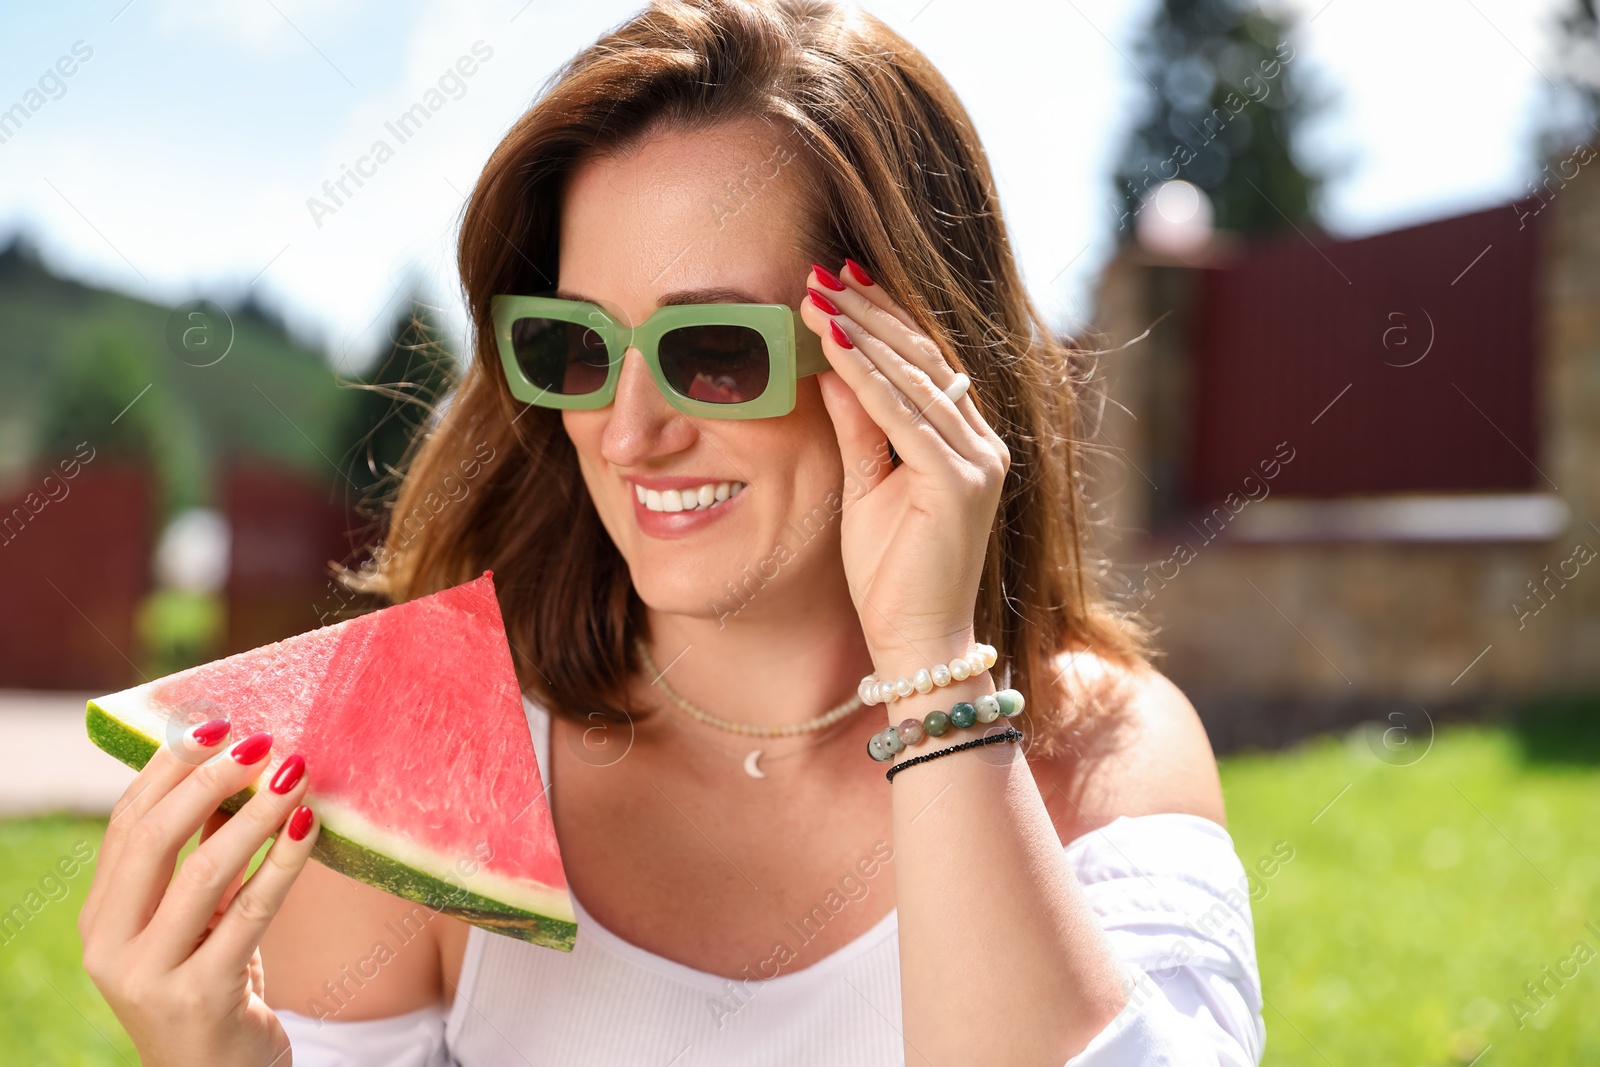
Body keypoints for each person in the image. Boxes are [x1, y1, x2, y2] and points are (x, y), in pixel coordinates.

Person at [79, 1, 1265, 1063]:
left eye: (715, 352)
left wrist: (931, 679)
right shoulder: (425, 756)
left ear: (913, 363)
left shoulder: (1103, 753)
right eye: (578, 346)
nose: (627, 430)